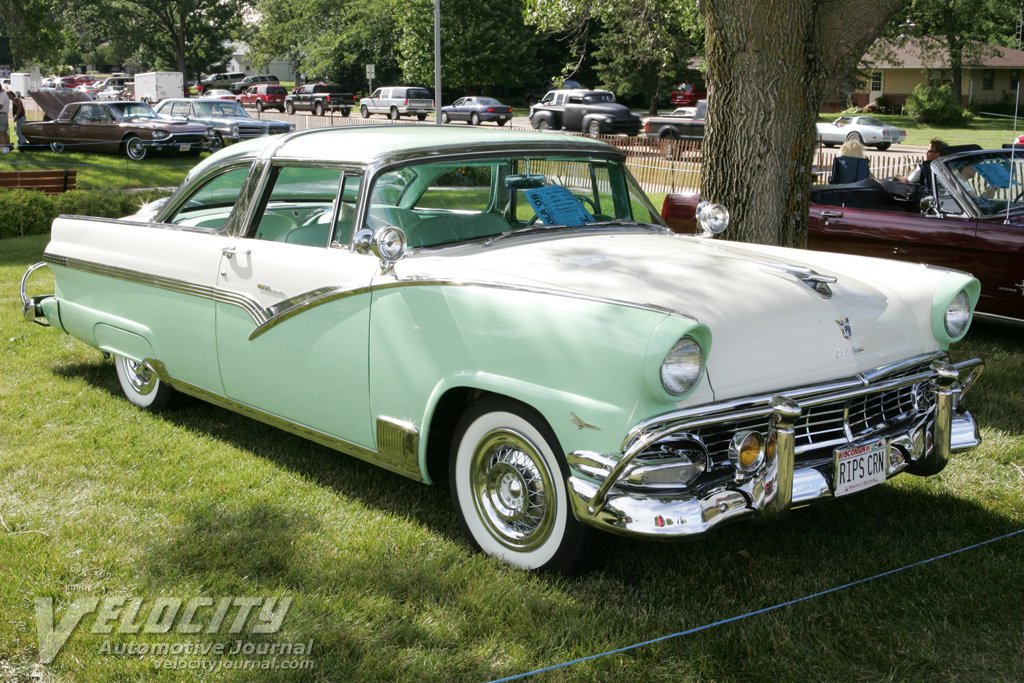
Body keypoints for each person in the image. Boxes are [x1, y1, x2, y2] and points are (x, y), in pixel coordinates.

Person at [0, 86, 9, 154]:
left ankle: (4, 149)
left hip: (1, 114)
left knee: (1, 132)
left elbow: (0, 106)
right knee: (4, 132)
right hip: (4, 114)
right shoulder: (5, 95)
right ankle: (7, 149)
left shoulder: (1, 95)